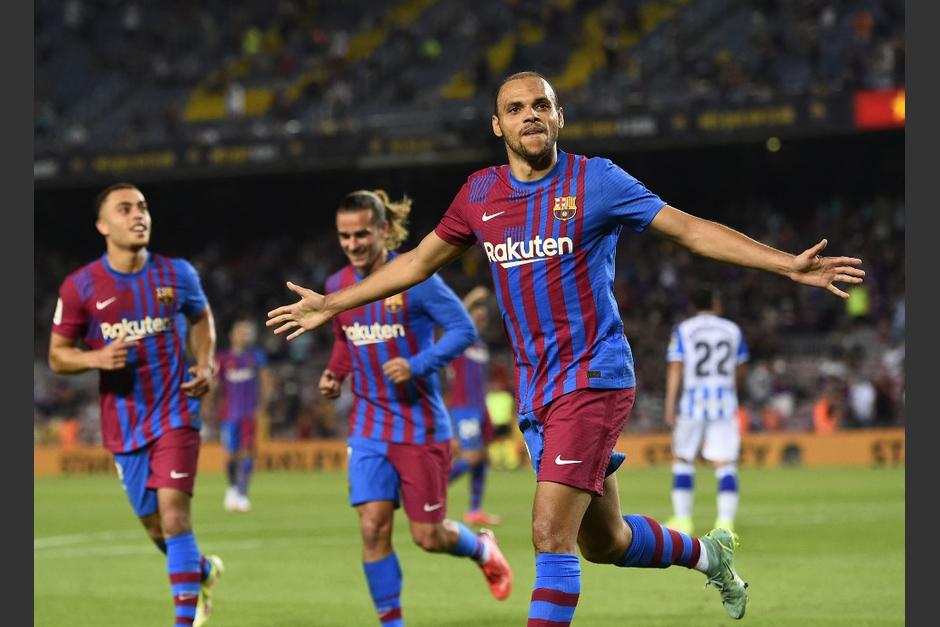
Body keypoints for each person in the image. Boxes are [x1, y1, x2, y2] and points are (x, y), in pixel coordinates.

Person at [267, 72, 865, 624]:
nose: (530, 115)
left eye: (541, 105)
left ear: (559, 118)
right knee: (605, 543)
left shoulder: (596, 181)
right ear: (497, 126)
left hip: (594, 377)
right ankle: (709, 556)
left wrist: (787, 264)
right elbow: (419, 263)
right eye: (515, 108)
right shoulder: (478, 195)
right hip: (537, 392)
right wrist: (332, 304)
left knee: (548, 534)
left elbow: (688, 229)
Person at [315, 189, 514, 626]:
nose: (352, 244)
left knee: (428, 536)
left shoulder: (415, 277)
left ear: (384, 230)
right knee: (372, 528)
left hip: (420, 426)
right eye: (344, 236)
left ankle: (481, 548)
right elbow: (346, 340)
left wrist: (418, 364)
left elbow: (462, 330)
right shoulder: (335, 286)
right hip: (368, 427)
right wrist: (335, 373)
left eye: (361, 234)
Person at [48, 183, 225, 627]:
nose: (138, 215)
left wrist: (204, 364)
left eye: (143, 207)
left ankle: (183, 618)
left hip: (176, 412)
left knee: (174, 515)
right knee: (156, 528)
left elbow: (201, 317)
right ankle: (201, 571)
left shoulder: (177, 273)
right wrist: (95, 358)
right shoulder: (80, 286)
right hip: (124, 423)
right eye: (124, 209)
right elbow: (57, 355)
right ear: (103, 225)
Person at [664, 288, 749, 535]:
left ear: (691, 306)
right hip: (724, 402)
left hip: (692, 402)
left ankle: (683, 520)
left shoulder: (684, 330)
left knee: (682, 458)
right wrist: (733, 389)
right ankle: (725, 522)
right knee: (725, 463)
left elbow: (675, 367)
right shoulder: (732, 330)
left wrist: (670, 404)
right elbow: (741, 366)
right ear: (715, 302)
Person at [203, 318, 273, 512]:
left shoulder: (256, 356)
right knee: (231, 455)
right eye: (241, 331)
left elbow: (266, 380)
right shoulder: (223, 358)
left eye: (247, 332)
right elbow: (215, 385)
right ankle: (233, 489)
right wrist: (208, 405)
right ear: (232, 335)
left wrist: (263, 405)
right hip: (229, 414)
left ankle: (242, 493)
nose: (245, 335)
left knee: (248, 452)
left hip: (249, 413)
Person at [446, 285, 501, 526]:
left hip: (480, 407)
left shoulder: (480, 345)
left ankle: (475, 510)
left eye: (483, 315)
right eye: (476, 313)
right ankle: (434, 490)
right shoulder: (460, 340)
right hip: (465, 406)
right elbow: (454, 315)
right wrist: (470, 298)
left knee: (483, 457)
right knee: (472, 456)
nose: (481, 317)